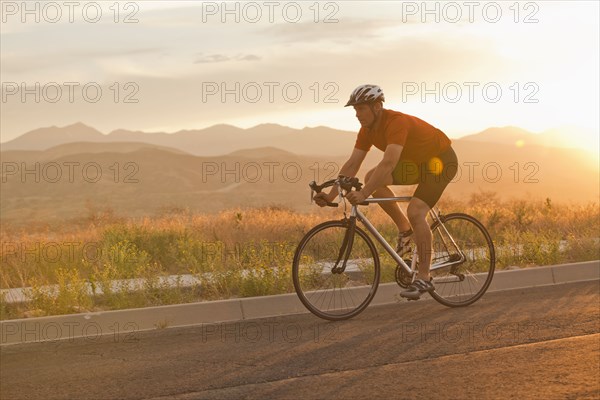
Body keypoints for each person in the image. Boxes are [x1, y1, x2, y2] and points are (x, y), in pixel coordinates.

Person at [313, 84, 458, 300]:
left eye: (361, 109)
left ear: (377, 107)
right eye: (355, 110)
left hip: (440, 162)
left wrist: (363, 194)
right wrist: (332, 195)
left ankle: (424, 276)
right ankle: (405, 231)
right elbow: (353, 163)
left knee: (416, 211)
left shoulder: (396, 122)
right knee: (371, 177)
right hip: (414, 165)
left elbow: (389, 162)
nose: (357, 114)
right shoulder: (367, 130)